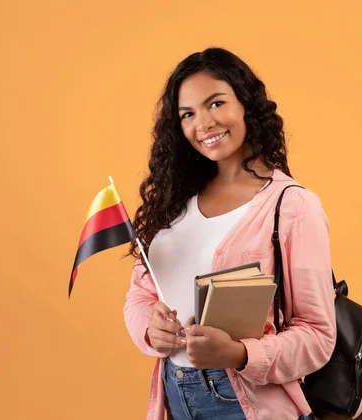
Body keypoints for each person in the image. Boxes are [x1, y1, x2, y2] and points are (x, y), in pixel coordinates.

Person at [123, 47, 336, 420]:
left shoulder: (292, 207)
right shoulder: (173, 203)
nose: (202, 123)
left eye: (216, 103)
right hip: (174, 397)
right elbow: (140, 295)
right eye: (187, 114)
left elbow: (318, 336)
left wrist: (240, 354)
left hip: (248, 405)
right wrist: (150, 330)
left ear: (246, 106)